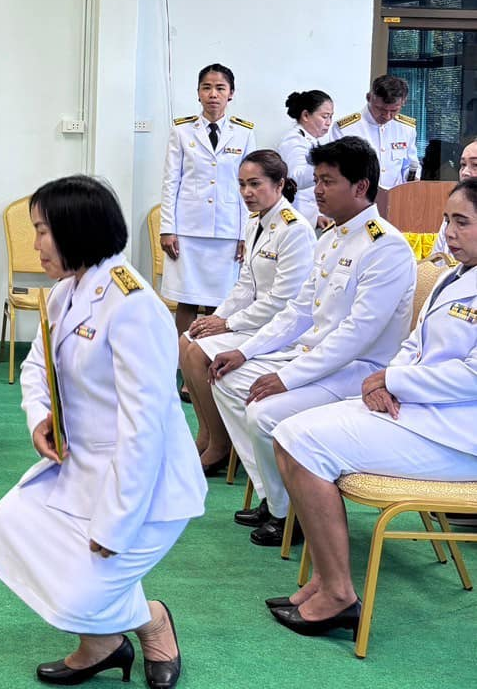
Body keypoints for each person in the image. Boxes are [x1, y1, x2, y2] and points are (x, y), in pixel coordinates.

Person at [0, 177, 206, 689]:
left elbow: (144, 430)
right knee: (9, 527)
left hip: (145, 485)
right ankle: (102, 643)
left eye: (41, 232)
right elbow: (37, 367)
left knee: (79, 596)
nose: (34, 245)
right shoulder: (63, 295)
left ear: (76, 230)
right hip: (79, 469)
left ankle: (152, 621)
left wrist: (116, 525)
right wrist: (40, 417)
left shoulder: (133, 304)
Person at [267, 179, 477, 638]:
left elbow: (472, 375)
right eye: (447, 220)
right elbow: (413, 343)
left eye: (462, 222)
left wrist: (395, 379)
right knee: (288, 432)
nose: (450, 232)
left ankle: (340, 594)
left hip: (460, 436)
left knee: (303, 443)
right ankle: (326, 577)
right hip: (419, 411)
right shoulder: (453, 275)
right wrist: (388, 379)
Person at [209, 137, 416, 546]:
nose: (317, 190)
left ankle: (292, 513)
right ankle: (277, 497)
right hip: (318, 359)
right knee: (229, 379)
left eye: (328, 181)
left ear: (360, 187)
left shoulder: (386, 246)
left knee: (264, 413)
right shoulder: (332, 237)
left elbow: (355, 336)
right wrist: (245, 350)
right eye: (317, 179)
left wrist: (286, 378)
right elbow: (298, 312)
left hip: (358, 371)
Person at [180, 151, 316, 476]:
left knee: (198, 352)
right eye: (241, 185)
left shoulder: (294, 229)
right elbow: (245, 286)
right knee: (187, 339)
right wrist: (214, 319)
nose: (246, 193)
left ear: (279, 184)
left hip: (282, 331)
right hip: (254, 322)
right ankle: (208, 433)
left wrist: (227, 323)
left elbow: (282, 300)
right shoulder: (256, 221)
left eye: (255, 184)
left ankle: (220, 445)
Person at [160, 63, 255, 337]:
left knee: (221, 303)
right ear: (198, 93)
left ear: (231, 94)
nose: (213, 94)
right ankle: (180, 362)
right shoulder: (181, 131)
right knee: (186, 300)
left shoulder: (245, 133)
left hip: (227, 232)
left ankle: (207, 364)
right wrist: (168, 229)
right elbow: (170, 182)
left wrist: (245, 234)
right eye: (207, 87)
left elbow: (249, 188)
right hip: (188, 231)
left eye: (220, 88)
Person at [336, 74, 420, 190]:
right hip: (357, 199)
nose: (387, 116)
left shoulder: (406, 128)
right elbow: (336, 170)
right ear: (369, 97)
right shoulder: (345, 128)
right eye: (380, 109)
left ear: (403, 102)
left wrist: (412, 178)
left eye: (394, 110)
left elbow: (410, 165)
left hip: (396, 198)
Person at [278, 90, 335, 227]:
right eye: (324, 117)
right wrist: (327, 167)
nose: (328, 123)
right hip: (297, 217)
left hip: (311, 217)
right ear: (306, 115)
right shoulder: (294, 140)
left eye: (331, 117)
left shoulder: (312, 141)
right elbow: (295, 178)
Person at [429, 138, 477, 259]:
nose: (465, 172)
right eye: (463, 165)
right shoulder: (454, 212)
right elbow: (436, 264)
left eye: (475, 165)